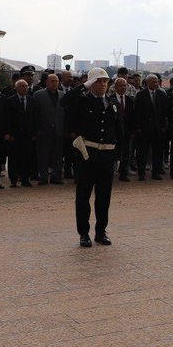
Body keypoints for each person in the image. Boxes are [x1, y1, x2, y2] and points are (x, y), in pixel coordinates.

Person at [66, 68, 123, 247]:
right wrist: (84, 85)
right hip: (87, 155)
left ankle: (101, 231)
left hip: (107, 155)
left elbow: (119, 131)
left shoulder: (113, 103)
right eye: (98, 81)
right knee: (83, 196)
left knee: (104, 197)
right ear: (90, 83)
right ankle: (84, 233)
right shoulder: (82, 101)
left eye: (105, 81)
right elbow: (65, 101)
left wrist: (118, 155)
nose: (103, 84)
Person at [133, 72, 168, 180]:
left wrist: (164, 126)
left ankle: (156, 173)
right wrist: (138, 127)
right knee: (142, 152)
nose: (155, 83)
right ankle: (141, 173)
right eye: (153, 82)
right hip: (144, 129)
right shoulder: (140, 94)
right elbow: (137, 112)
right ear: (147, 82)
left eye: (156, 82)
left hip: (158, 129)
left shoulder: (162, 94)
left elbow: (164, 112)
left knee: (157, 152)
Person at [32, 73, 66, 184]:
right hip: (43, 131)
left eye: (56, 81)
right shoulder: (38, 95)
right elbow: (35, 114)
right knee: (43, 155)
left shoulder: (63, 95)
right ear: (46, 82)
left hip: (58, 131)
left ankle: (56, 177)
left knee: (58, 156)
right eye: (52, 81)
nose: (54, 83)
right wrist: (37, 129)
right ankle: (43, 177)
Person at [4, 79, 38, 187]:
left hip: (28, 135)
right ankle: (13, 180)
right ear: (16, 88)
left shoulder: (32, 100)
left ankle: (25, 179)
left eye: (26, 86)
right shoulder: (10, 100)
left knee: (26, 157)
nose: (25, 88)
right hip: (15, 135)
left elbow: (35, 118)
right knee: (13, 158)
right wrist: (9, 133)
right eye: (22, 86)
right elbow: (7, 118)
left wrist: (34, 133)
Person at [108, 77, 136, 181]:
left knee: (126, 152)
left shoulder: (129, 100)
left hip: (127, 131)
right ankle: (110, 173)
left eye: (125, 85)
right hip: (114, 132)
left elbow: (132, 116)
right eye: (121, 85)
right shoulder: (110, 99)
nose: (123, 87)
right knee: (113, 152)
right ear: (115, 87)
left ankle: (123, 173)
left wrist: (132, 130)